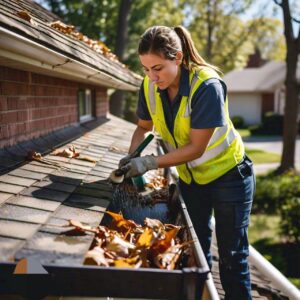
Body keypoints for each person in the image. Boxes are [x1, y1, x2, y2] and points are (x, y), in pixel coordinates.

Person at [119, 25, 255, 300]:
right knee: (193, 252)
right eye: (146, 69)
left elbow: (196, 148)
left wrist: (149, 163)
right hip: (193, 180)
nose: (152, 76)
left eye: (158, 68)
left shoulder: (206, 86)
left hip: (230, 177)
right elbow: (143, 127)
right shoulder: (149, 86)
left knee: (232, 259)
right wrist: (133, 157)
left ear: (178, 57)